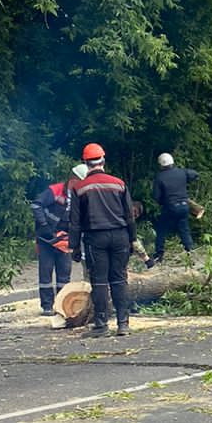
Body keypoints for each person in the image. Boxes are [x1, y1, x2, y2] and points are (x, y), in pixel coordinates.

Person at [69, 143, 136, 336]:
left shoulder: (80, 187)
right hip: (120, 235)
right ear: (103, 160)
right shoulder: (119, 183)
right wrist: (132, 239)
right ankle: (123, 324)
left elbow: (75, 221)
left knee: (99, 282)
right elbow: (129, 215)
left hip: (95, 237)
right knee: (120, 279)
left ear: (85, 162)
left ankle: (101, 325)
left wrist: (74, 246)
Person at [147, 152, 198, 266]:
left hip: (170, 207)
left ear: (160, 164)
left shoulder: (159, 177)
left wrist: (162, 202)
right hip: (184, 206)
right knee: (184, 230)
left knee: (161, 230)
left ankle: (159, 255)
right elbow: (195, 174)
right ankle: (190, 253)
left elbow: (156, 196)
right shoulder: (182, 172)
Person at [32, 176, 74, 315]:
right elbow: (36, 205)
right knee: (46, 273)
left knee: (64, 274)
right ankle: (47, 306)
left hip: (64, 238)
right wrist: (43, 225)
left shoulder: (81, 194)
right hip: (46, 238)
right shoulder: (54, 190)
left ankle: (62, 304)